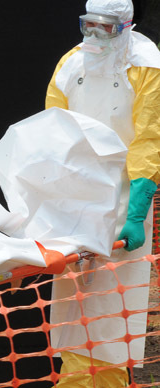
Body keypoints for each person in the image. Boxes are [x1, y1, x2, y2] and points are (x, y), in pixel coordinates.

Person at [45, 0, 160, 386]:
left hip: (123, 203)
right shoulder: (70, 64)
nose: (93, 35)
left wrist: (136, 211)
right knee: (73, 319)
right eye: (87, 25)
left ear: (126, 26)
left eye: (105, 28)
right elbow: (51, 131)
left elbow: (149, 140)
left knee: (111, 320)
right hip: (75, 201)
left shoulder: (146, 65)